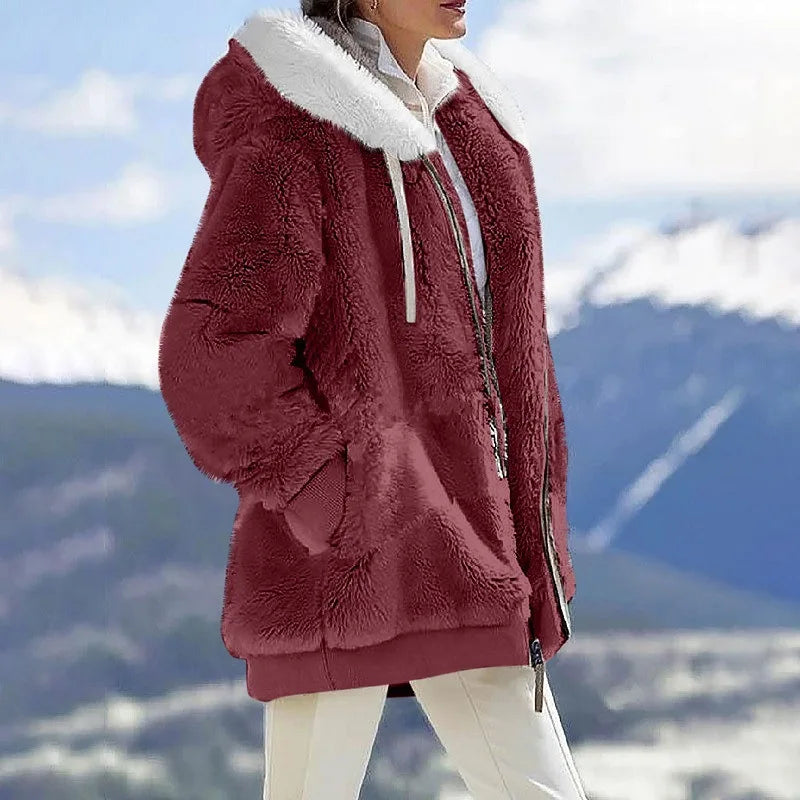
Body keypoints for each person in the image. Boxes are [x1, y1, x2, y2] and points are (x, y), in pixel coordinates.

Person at [158, 0, 586, 797]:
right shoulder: (297, 120)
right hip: (345, 567)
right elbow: (212, 350)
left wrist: (534, 525)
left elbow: (513, 355)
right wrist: (340, 500)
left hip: (477, 553)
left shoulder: (472, 125)